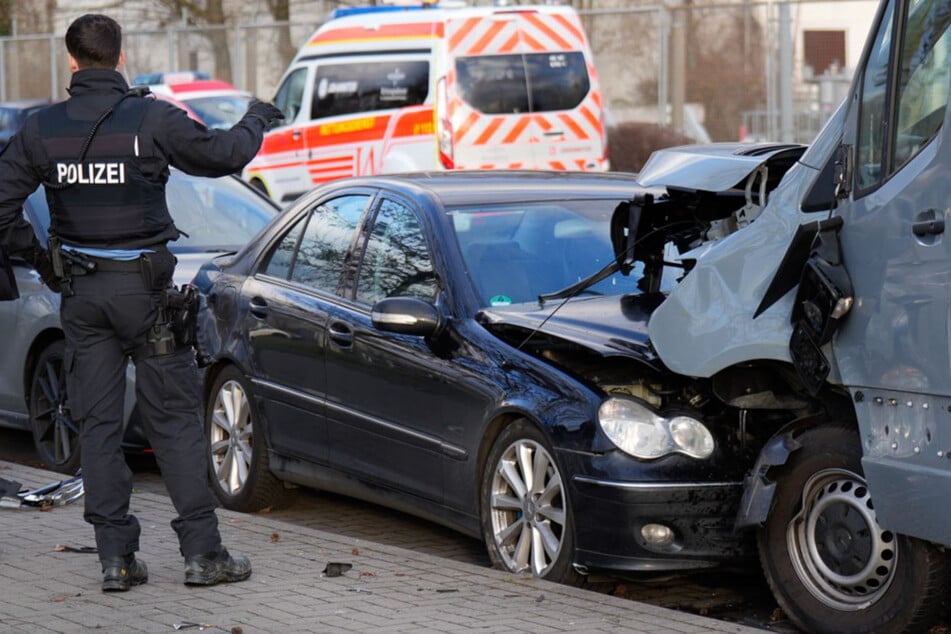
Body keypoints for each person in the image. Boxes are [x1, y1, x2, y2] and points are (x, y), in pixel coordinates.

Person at [0, 14, 284, 592]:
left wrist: (44, 260)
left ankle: (116, 560)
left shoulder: (42, 128)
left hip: (82, 296)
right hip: (147, 297)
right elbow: (223, 154)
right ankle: (203, 556)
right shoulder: (150, 117)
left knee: (99, 426)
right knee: (175, 421)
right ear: (120, 58)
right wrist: (257, 118)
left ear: (72, 61)